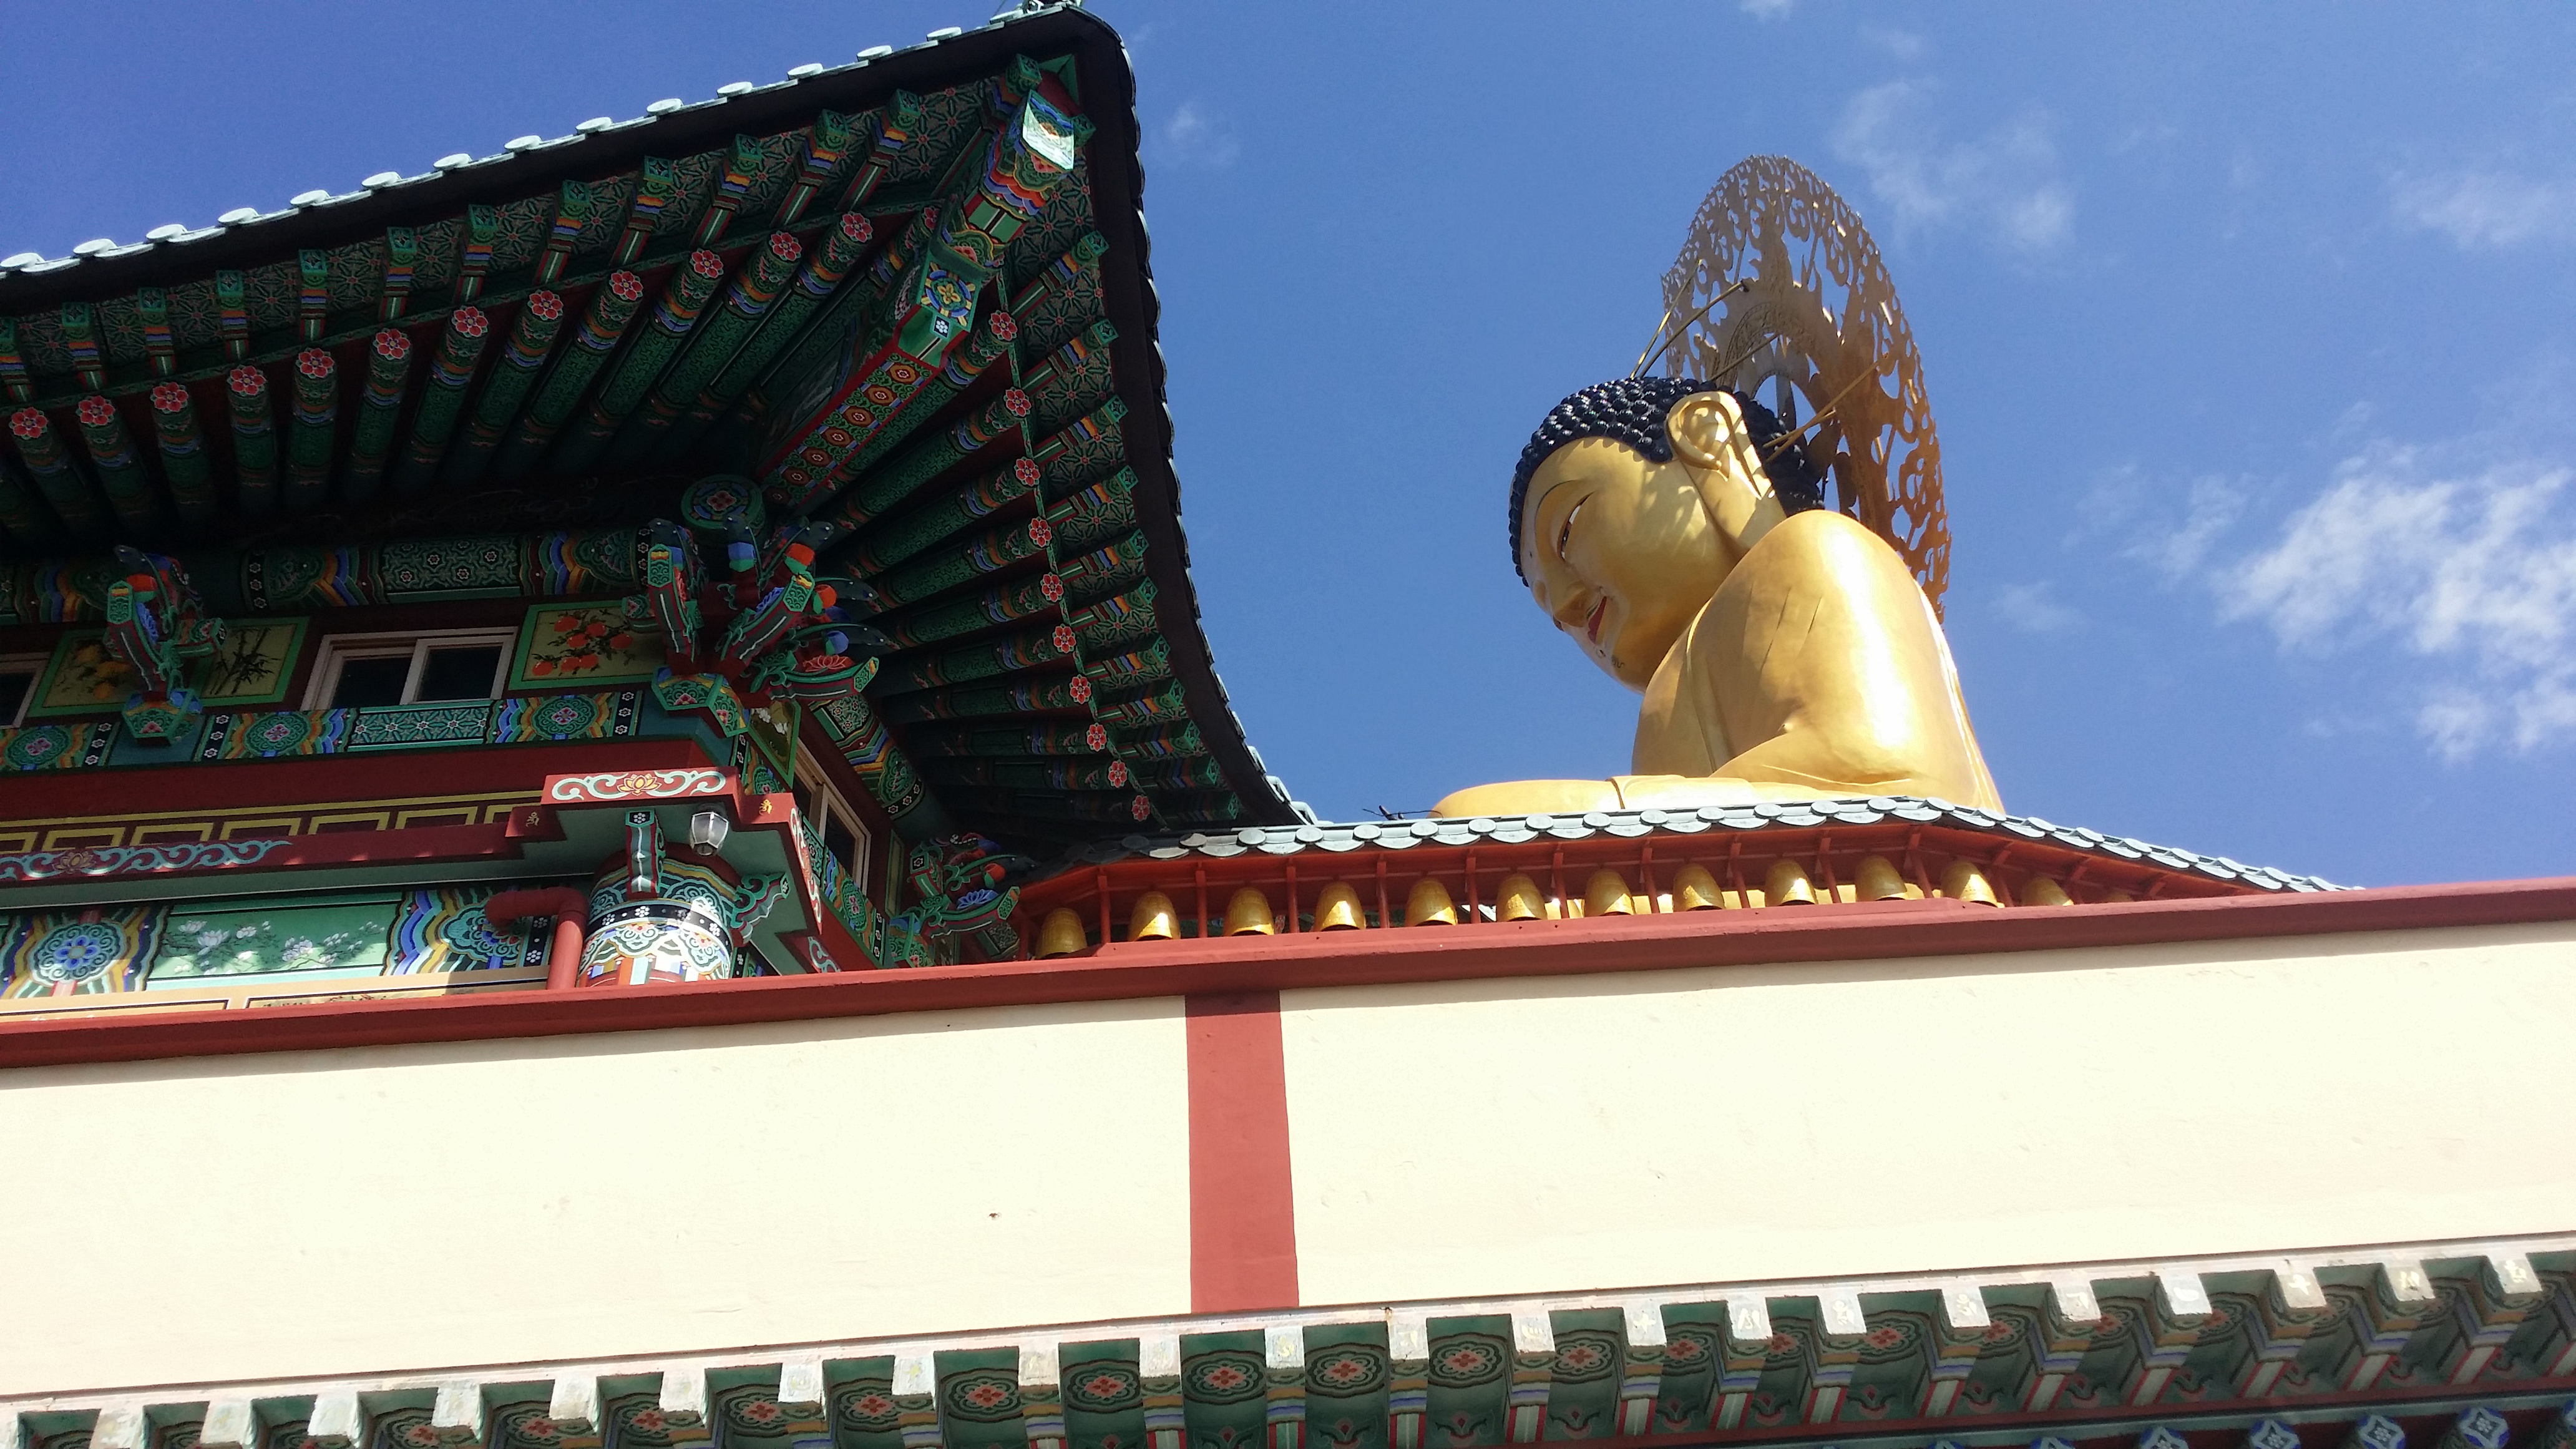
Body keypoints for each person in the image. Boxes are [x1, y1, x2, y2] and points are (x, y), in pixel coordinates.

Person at [1431, 376, 2003, 817]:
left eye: (1567, 530)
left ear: (1707, 441)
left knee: (1468, 817)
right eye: (1548, 610)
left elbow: (1893, 781)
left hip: (1907, 880)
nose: (1564, 605)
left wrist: (1607, 817)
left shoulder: (1818, 548)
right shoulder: (1667, 696)